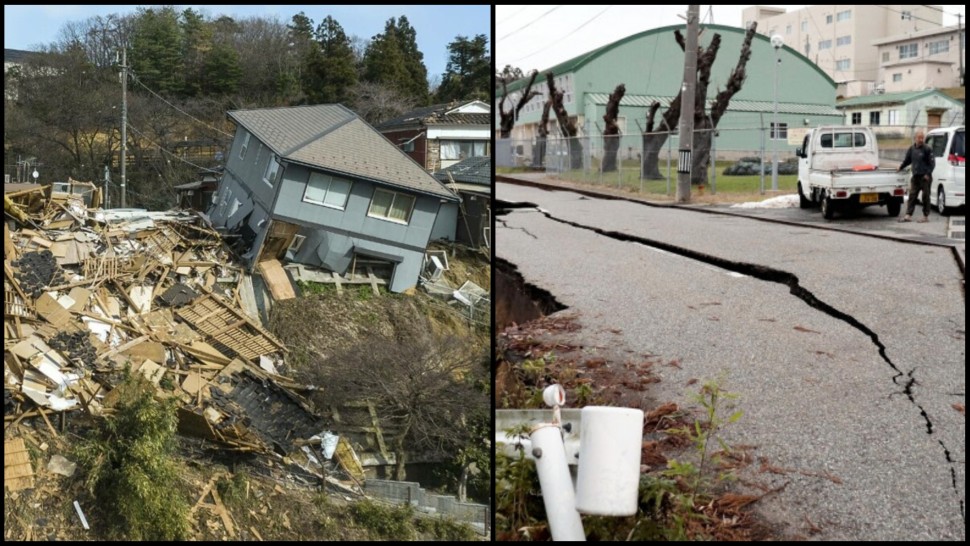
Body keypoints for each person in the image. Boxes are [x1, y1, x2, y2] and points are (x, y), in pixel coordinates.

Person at [897, 129, 935, 223]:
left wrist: (927, 174)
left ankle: (925, 216)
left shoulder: (927, 149)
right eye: (919, 138)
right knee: (912, 196)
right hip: (915, 177)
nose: (921, 139)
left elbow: (932, 164)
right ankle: (908, 215)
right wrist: (901, 167)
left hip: (925, 177)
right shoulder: (912, 149)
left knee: (925, 197)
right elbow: (907, 160)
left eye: (922, 138)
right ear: (915, 138)